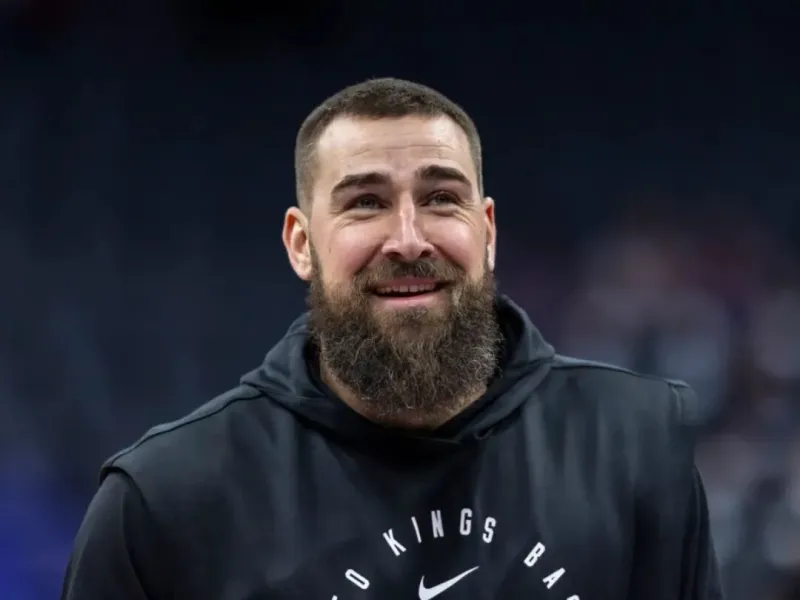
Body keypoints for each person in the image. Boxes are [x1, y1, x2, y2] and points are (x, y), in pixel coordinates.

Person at [61, 77, 723, 599]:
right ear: (301, 243)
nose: (408, 239)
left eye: (440, 198)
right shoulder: (166, 502)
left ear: (487, 232)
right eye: (366, 203)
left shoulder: (637, 446)